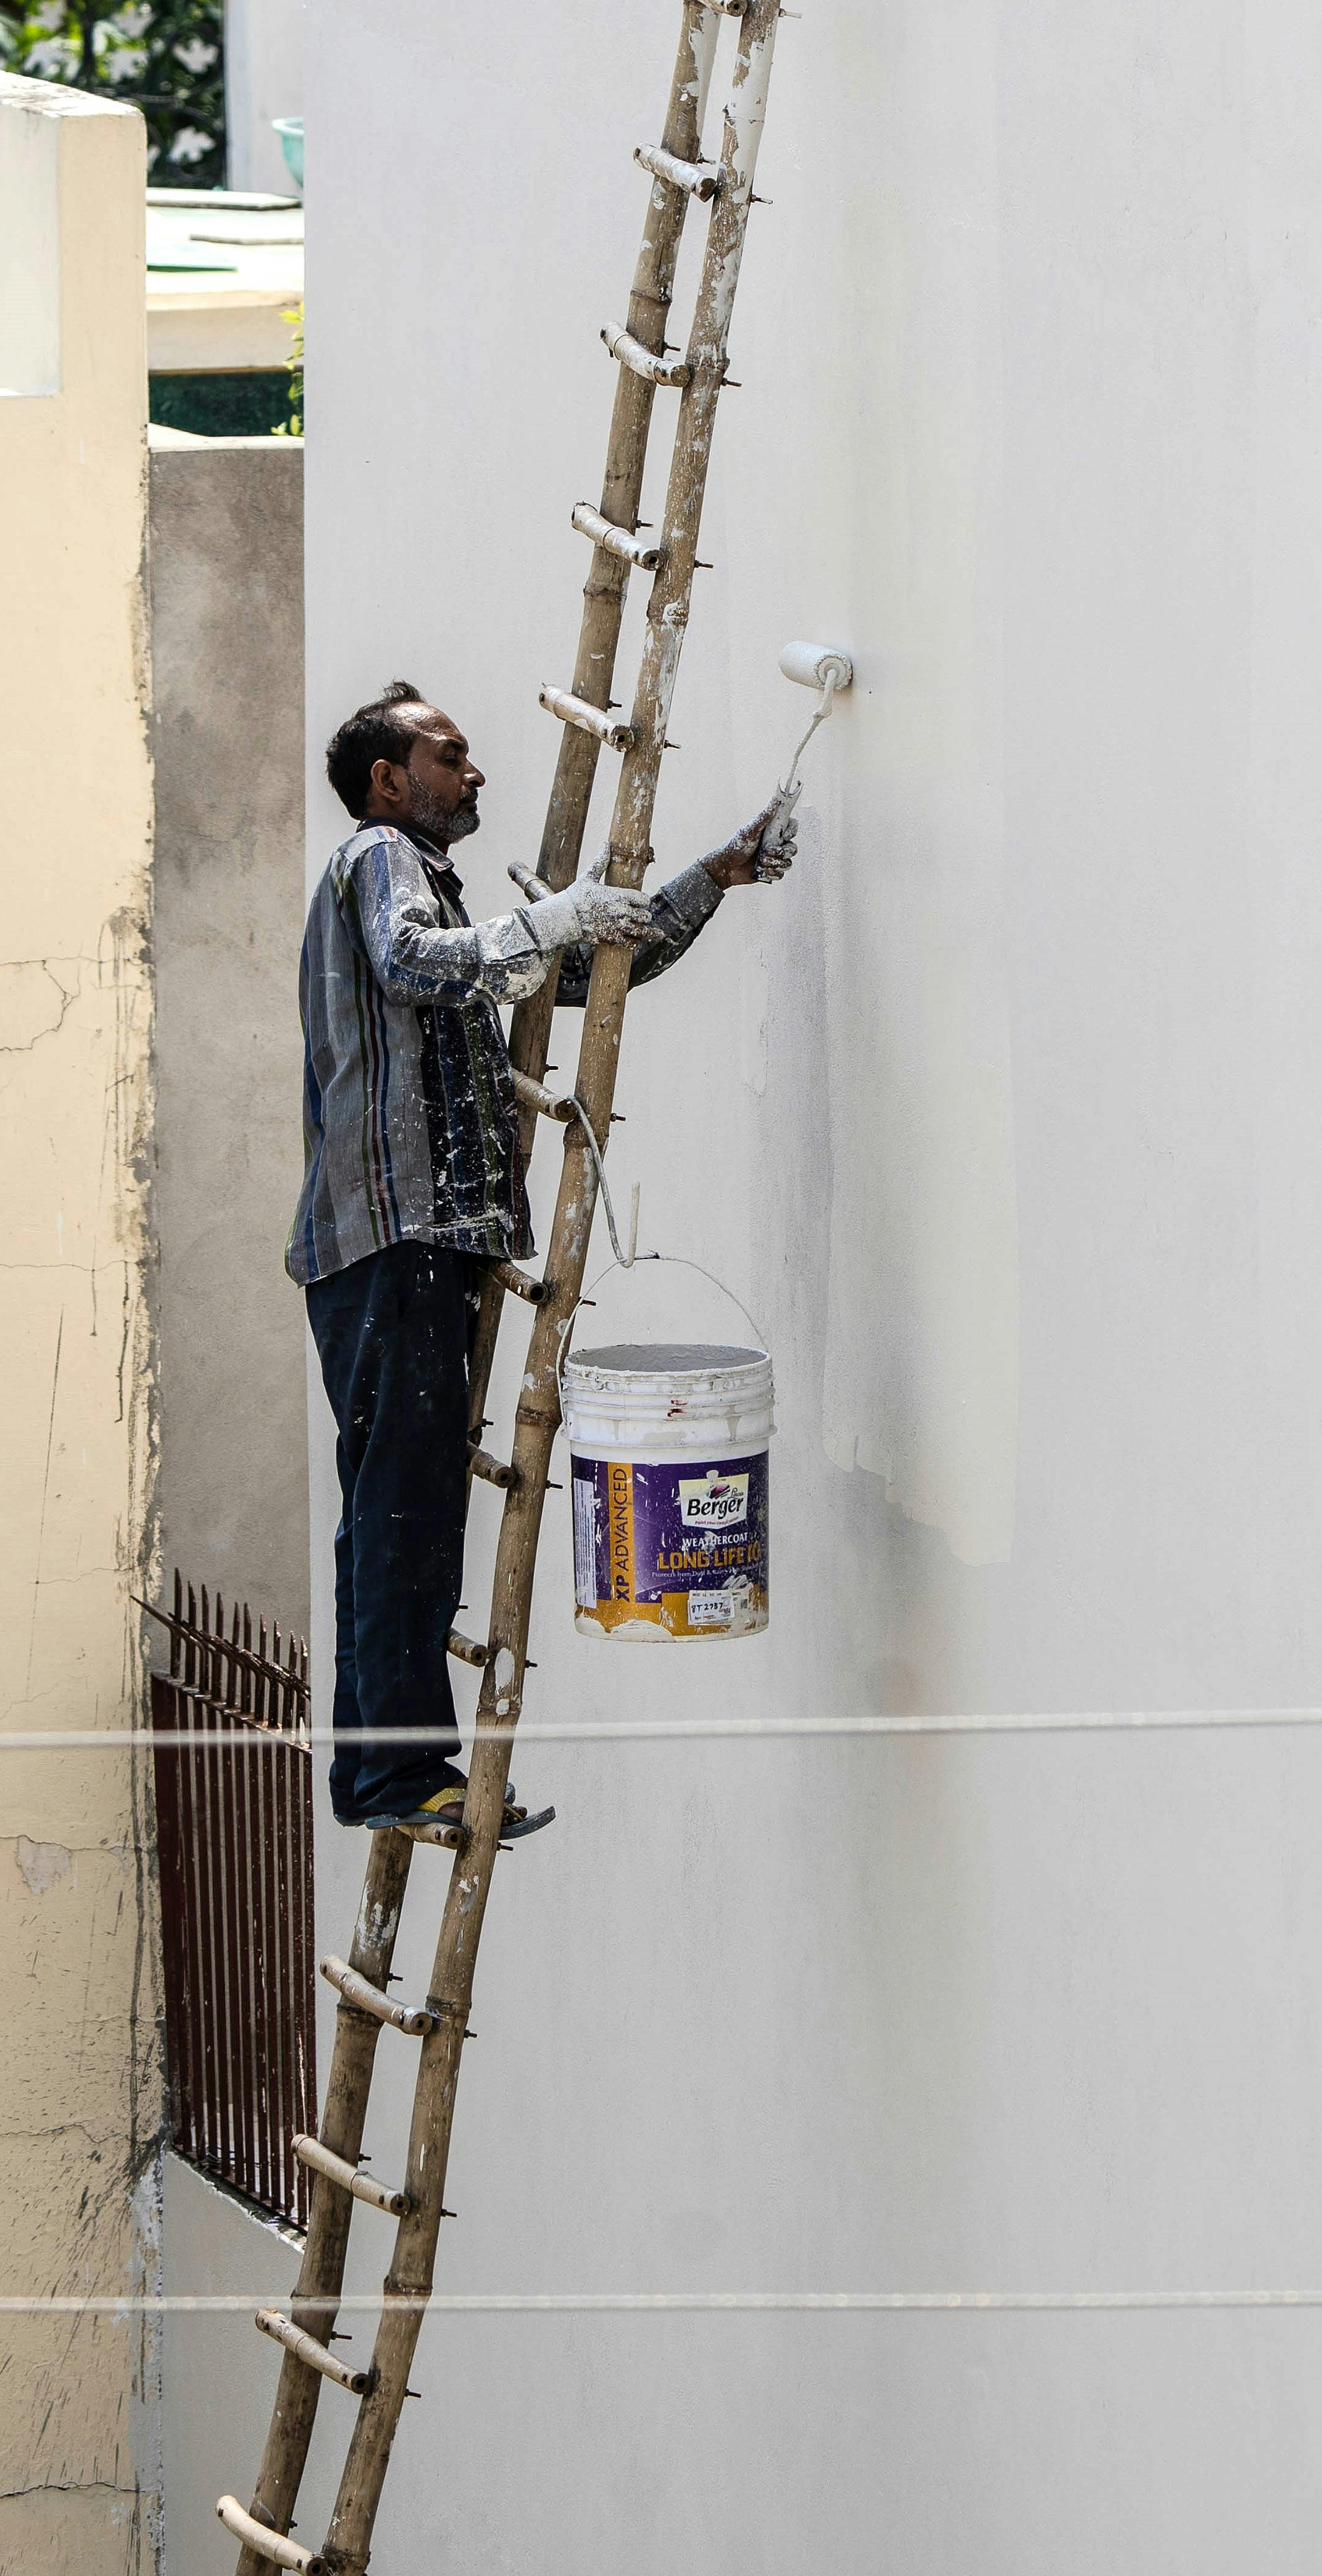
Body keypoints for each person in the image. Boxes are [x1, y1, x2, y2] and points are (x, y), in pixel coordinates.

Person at [287, 679, 796, 1840]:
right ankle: (394, 1778)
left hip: (417, 1244)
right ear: (387, 780)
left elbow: (576, 974)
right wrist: (553, 917)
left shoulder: (432, 891)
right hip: (394, 1236)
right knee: (402, 1514)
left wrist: (712, 877)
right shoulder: (379, 858)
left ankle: (388, 1775)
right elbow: (417, 962)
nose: (473, 773)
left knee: (402, 1512)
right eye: (449, 755)